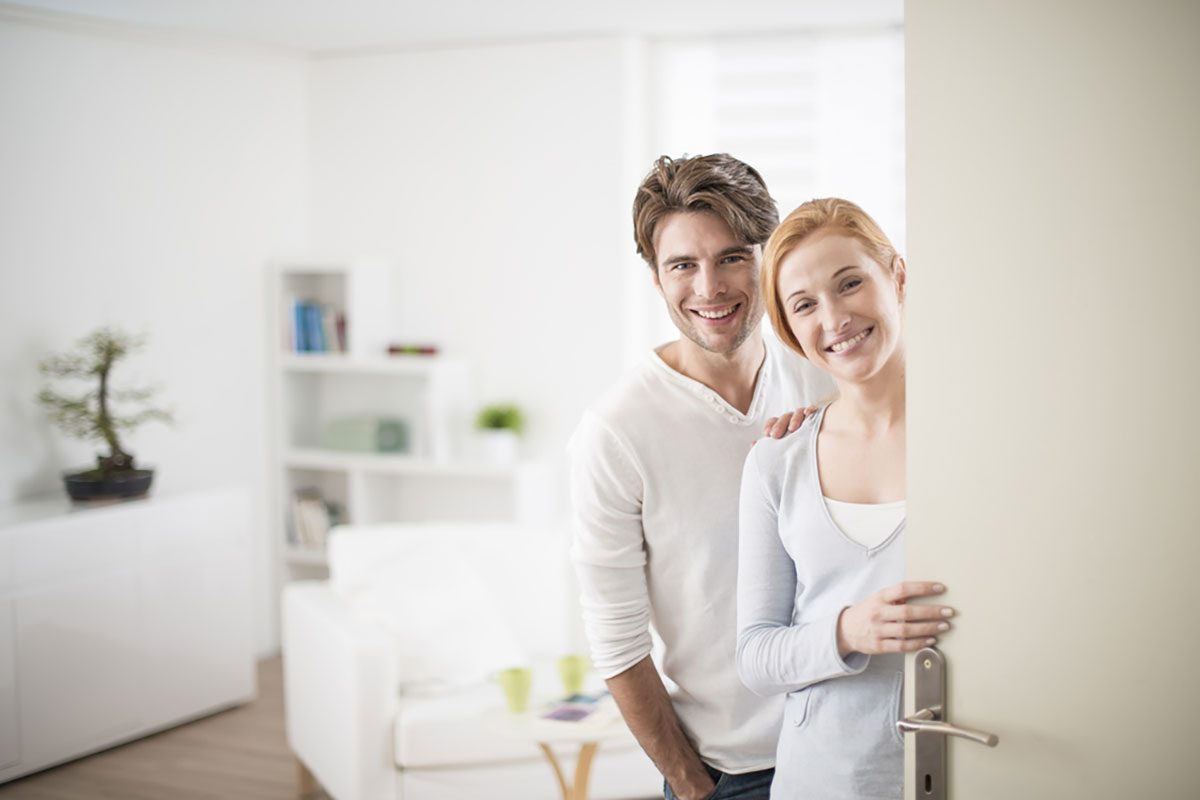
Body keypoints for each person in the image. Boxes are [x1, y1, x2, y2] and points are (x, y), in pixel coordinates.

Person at [569, 154, 835, 800]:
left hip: (847, 748)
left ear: (768, 256)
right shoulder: (616, 433)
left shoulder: (826, 381)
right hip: (730, 776)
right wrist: (692, 785)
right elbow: (617, 641)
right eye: (683, 265)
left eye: (732, 257)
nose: (709, 288)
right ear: (656, 279)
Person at [735, 199, 953, 799]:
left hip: (972, 764)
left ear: (898, 277)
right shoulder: (776, 462)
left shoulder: (972, 436)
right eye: (804, 305)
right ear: (790, 329)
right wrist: (848, 630)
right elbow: (755, 655)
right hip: (822, 780)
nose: (834, 319)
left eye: (850, 283)